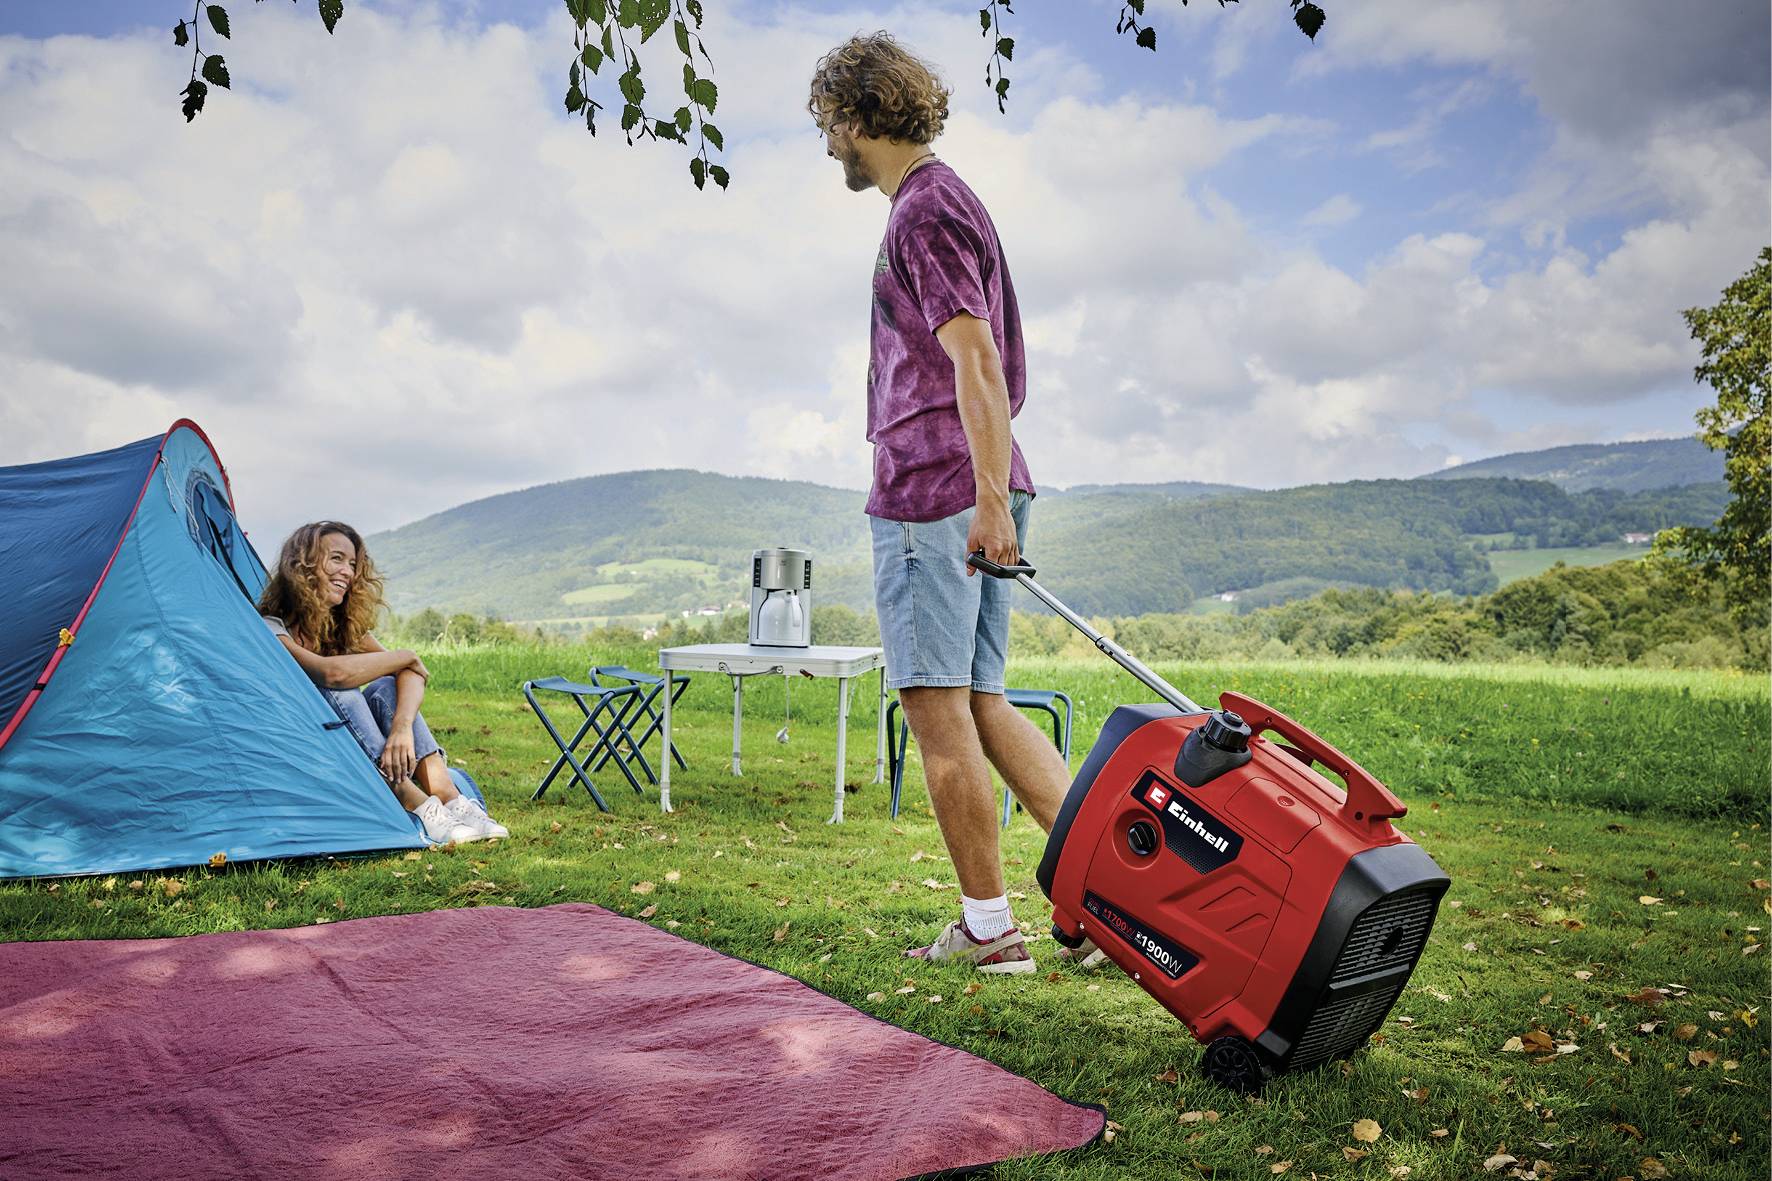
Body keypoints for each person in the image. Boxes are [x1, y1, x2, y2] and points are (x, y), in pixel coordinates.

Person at [809, 33, 1079, 973]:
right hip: (972, 490)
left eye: (827, 127)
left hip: (940, 493)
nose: (827, 147)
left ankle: (989, 927)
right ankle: (1112, 904)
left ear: (856, 116)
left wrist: (989, 502)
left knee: (936, 710)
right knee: (986, 701)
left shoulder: (922, 211)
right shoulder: (944, 200)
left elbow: (976, 357)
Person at [257, 521, 506, 845]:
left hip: (354, 741)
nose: (347, 571)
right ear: (302, 565)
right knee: (340, 691)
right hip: (310, 744)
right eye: (336, 559)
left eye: (352, 564)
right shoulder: (271, 625)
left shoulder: (341, 625)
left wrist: (401, 728)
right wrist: (404, 655)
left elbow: (412, 673)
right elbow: (330, 674)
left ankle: (448, 795)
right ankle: (410, 798)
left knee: (385, 688)